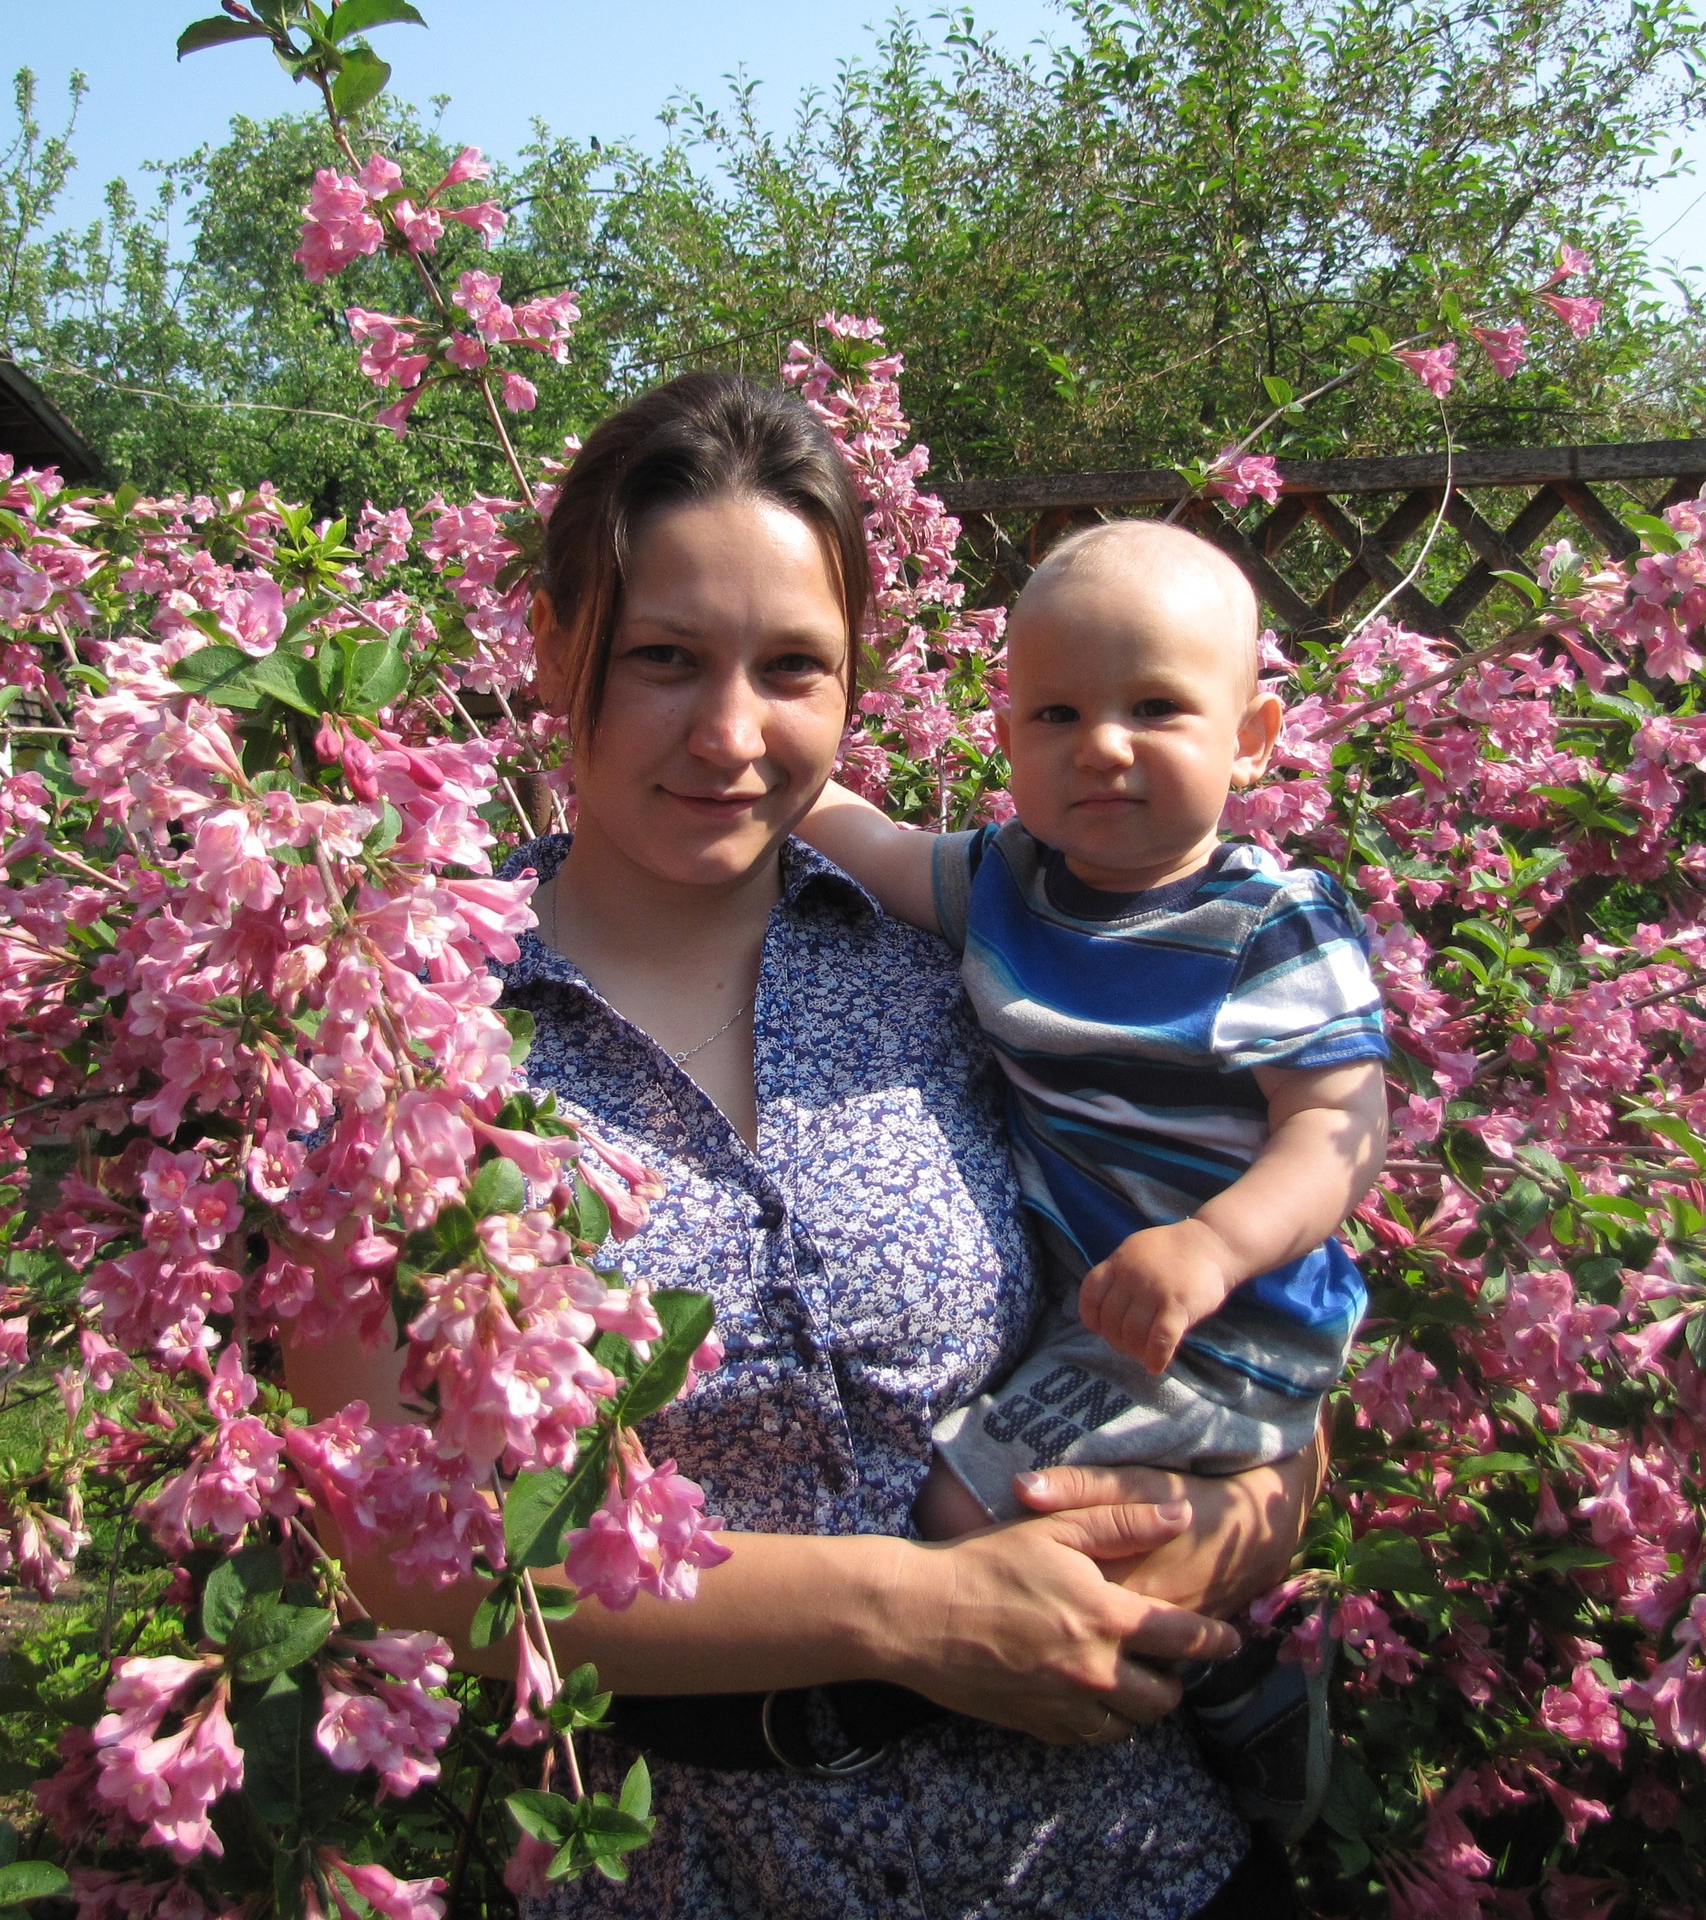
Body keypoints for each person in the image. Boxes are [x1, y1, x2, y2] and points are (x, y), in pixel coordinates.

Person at [281, 371, 1323, 1917]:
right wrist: (905, 1611)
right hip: (707, 1868)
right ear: (556, 647)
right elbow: (396, 1553)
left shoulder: (962, 966)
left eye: (792, 669)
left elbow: (1265, 1370)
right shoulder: (405, 1030)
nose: (730, 733)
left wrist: (1204, 1543)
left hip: (1130, 1858)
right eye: (664, 658)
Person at [795, 524, 1387, 1820]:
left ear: (1254, 737)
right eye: (1057, 714)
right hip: (1098, 1314)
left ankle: (1232, 1678)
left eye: (1156, 709)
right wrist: (779, 768)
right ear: (1009, 738)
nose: (1102, 747)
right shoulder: (1005, 884)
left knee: (968, 1513)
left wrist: (1213, 1248)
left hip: (1223, 1328)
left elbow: (1339, 1130)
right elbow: (873, 846)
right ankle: (1227, 1663)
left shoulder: (1270, 921)